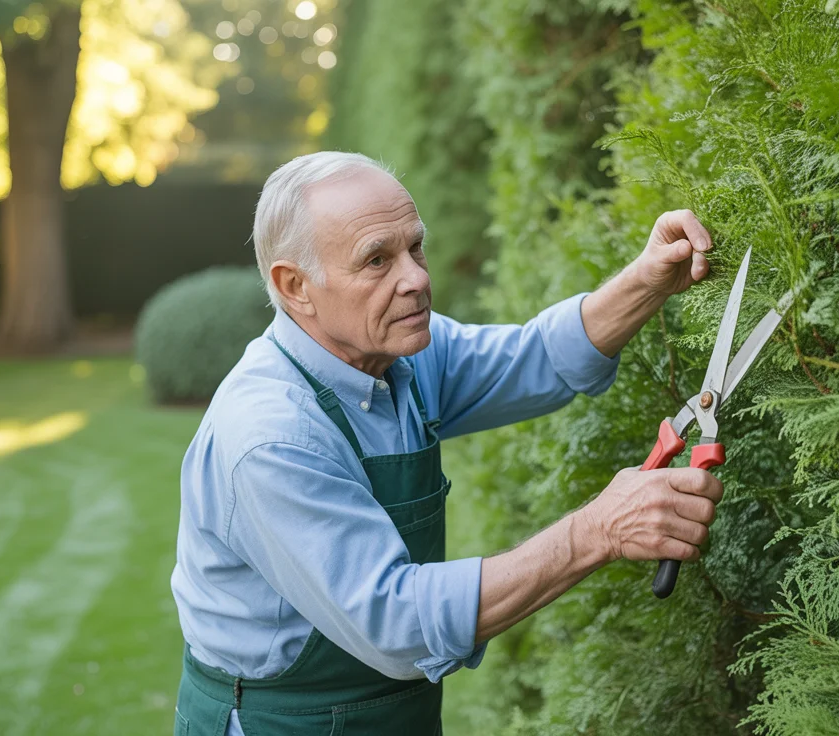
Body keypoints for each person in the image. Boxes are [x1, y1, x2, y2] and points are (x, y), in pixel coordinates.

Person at [170, 151, 724, 736]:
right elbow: (398, 625)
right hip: (280, 721)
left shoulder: (400, 356)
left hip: (394, 712)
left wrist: (645, 280)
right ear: (295, 286)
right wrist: (598, 530)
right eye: (377, 260)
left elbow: (533, 359)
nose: (416, 279)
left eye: (415, 248)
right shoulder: (270, 436)